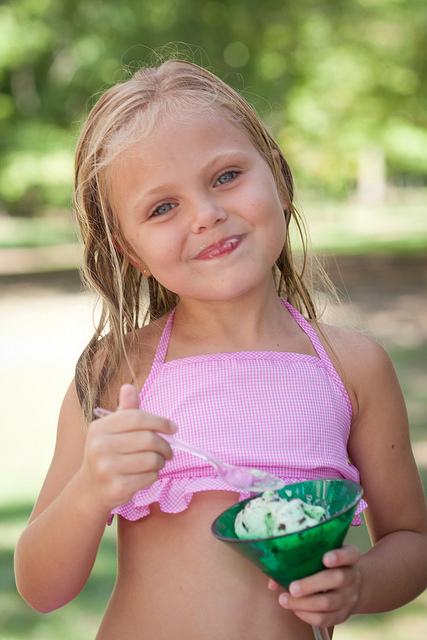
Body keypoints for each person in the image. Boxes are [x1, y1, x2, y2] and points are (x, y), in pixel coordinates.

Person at [14, 58, 427, 640]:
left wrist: (359, 585)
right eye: (162, 208)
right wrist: (89, 491)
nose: (206, 215)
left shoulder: (353, 367)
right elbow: (40, 587)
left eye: (226, 176)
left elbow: (411, 542)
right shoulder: (117, 371)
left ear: (278, 180)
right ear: (129, 250)